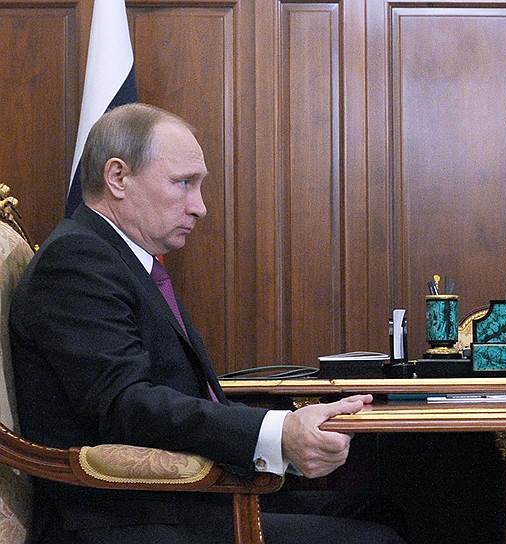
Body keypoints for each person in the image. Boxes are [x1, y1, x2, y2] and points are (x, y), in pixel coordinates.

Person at [10, 103, 404, 544]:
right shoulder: (76, 261)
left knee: (395, 509)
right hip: (125, 518)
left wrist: (284, 429)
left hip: (187, 496)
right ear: (118, 177)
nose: (200, 207)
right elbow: (126, 406)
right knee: (377, 539)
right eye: (183, 183)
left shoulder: (121, 258)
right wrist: (278, 433)